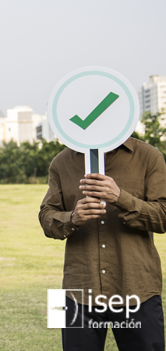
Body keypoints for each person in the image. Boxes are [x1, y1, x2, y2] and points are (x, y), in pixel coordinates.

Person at [39, 137, 166, 350]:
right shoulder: (61, 162)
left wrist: (121, 198)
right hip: (78, 289)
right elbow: (46, 217)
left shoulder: (149, 156)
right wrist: (73, 218)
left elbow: (163, 217)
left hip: (137, 287)